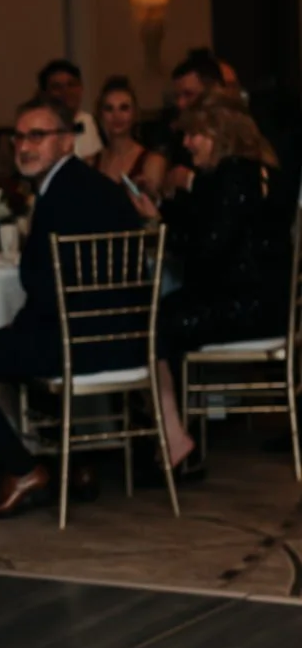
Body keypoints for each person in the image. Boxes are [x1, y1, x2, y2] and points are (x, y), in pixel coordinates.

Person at [0, 98, 139, 519]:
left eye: (37, 136)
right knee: (9, 345)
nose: (24, 146)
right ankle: (70, 463)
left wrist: (19, 329)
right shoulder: (91, 186)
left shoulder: (62, 195)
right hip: (121, 339)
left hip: (76, 343)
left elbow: (43, 286)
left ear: (66, 142)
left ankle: (21, 468)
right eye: (20, 136)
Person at [128, 93, 292, 470]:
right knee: (162, 313)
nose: (186, 144)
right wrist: (168, 211)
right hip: (269, 301)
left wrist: (160, 223)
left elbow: (206, 251)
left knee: (151, 322)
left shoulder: (231, 177)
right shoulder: (263, 173)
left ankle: (172, 438)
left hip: (246, 306)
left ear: (220, 134)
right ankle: (174, 433)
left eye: (195, 135)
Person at [91, 75, 166, 195]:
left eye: (124, 108)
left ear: (135, 114)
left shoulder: (152, 162)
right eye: (109, 109)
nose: (117, 116)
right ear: (100, 115)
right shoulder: (89, 162)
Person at [37, 58, 103, 162]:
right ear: (44, 93)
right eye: (57, 87)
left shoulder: (93, 122)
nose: (66, 92)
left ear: (81, 88)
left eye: (71, 85)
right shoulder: (36, 129)